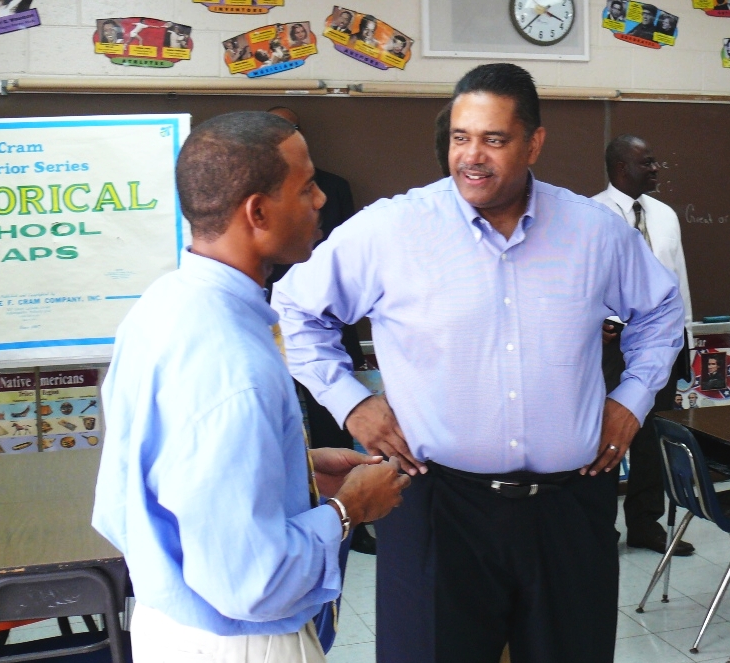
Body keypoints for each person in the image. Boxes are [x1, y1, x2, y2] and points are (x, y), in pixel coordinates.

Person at [272, 63, 683, 663]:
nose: (473, 156)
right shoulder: (393, 228)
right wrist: (351, 402)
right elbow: (294, 309)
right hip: (438, 506)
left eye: (494, 139)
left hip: (570, 509)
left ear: (534, 142)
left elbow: (662, 312)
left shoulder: (595, 233)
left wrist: (630, 402)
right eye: (461, 137)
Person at [92, 112, 410, 663]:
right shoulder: (236, 364)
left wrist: (296, 468)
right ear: (257, 212)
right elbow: (255, 580)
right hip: (239, 643)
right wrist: (346, 510)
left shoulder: (162, 307)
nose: (319, 201)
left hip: (168, 621)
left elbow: (159, 481)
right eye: (306, 186)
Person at [266, 106, 376, 555]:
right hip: (271, 320)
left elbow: (341, 264)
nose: (316, 203)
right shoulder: (220, 338)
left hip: (322, 326)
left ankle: (352, 520)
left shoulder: (333, 189)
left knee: (332, 420)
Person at [593, 135, 694, 557]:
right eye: (647, 163)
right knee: (604, 435)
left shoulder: (665, 215)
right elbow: (584, 281)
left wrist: (684, 339)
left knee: (653, 438)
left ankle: (645, 524)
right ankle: (599, 530)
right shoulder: (593, 213)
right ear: (620, 167)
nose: (655, 169)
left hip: (662, 345)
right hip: (611, 345)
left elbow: (678, 280)